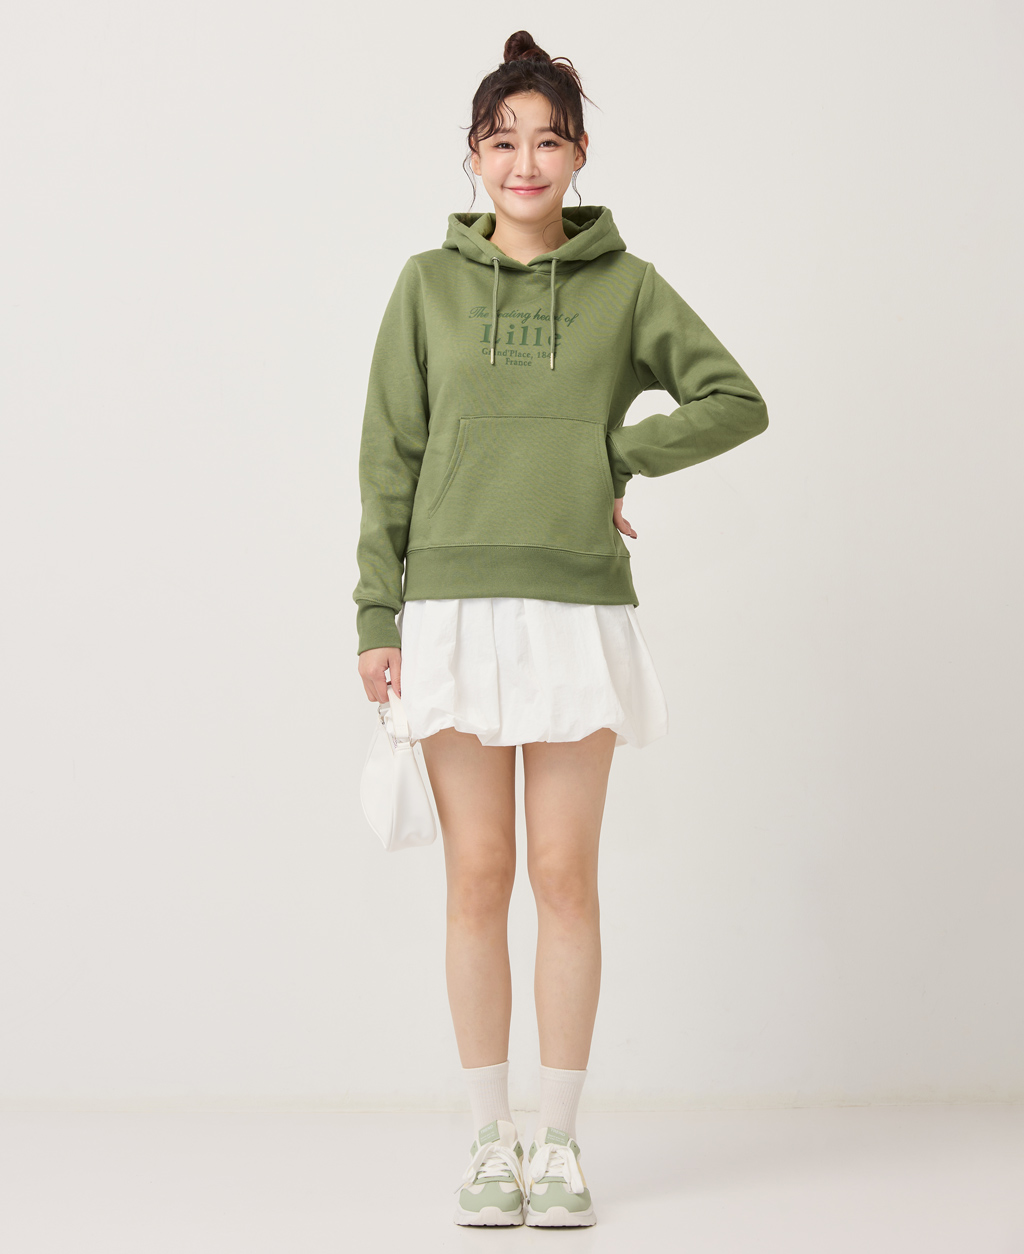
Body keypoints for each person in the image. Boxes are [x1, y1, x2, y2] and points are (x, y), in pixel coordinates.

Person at [353, 30, 769, 1229]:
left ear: (579, 154)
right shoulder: (425, 286)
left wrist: (614, 454)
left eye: (546, 141)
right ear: (473, 156)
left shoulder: (627, 288)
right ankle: (490, 1139)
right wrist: (376, 610)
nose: (524, 162)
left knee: (562, 875)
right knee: (478, 875)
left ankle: (563, 1143)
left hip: (577, 608)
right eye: (502, 142)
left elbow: (734, 398)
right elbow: (387, 458)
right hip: (448, 606)